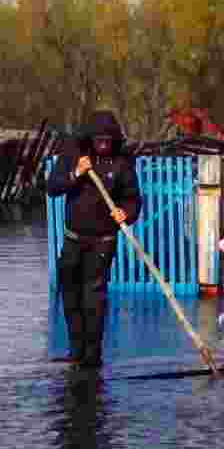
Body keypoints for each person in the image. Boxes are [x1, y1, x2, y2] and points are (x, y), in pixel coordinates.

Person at [46, 111, 142, 367]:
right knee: (70, 295)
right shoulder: (74, 154)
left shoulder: (121, 162)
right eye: (99, 140)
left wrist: (127, 213)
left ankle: (92, 355)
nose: (103, 145)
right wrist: (75, 173)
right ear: (90, 138)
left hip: (103, 241)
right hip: (73, 239)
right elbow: (53, 187)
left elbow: (133, 198)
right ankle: (75, 351)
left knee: (94, 296)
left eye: (108, 140)